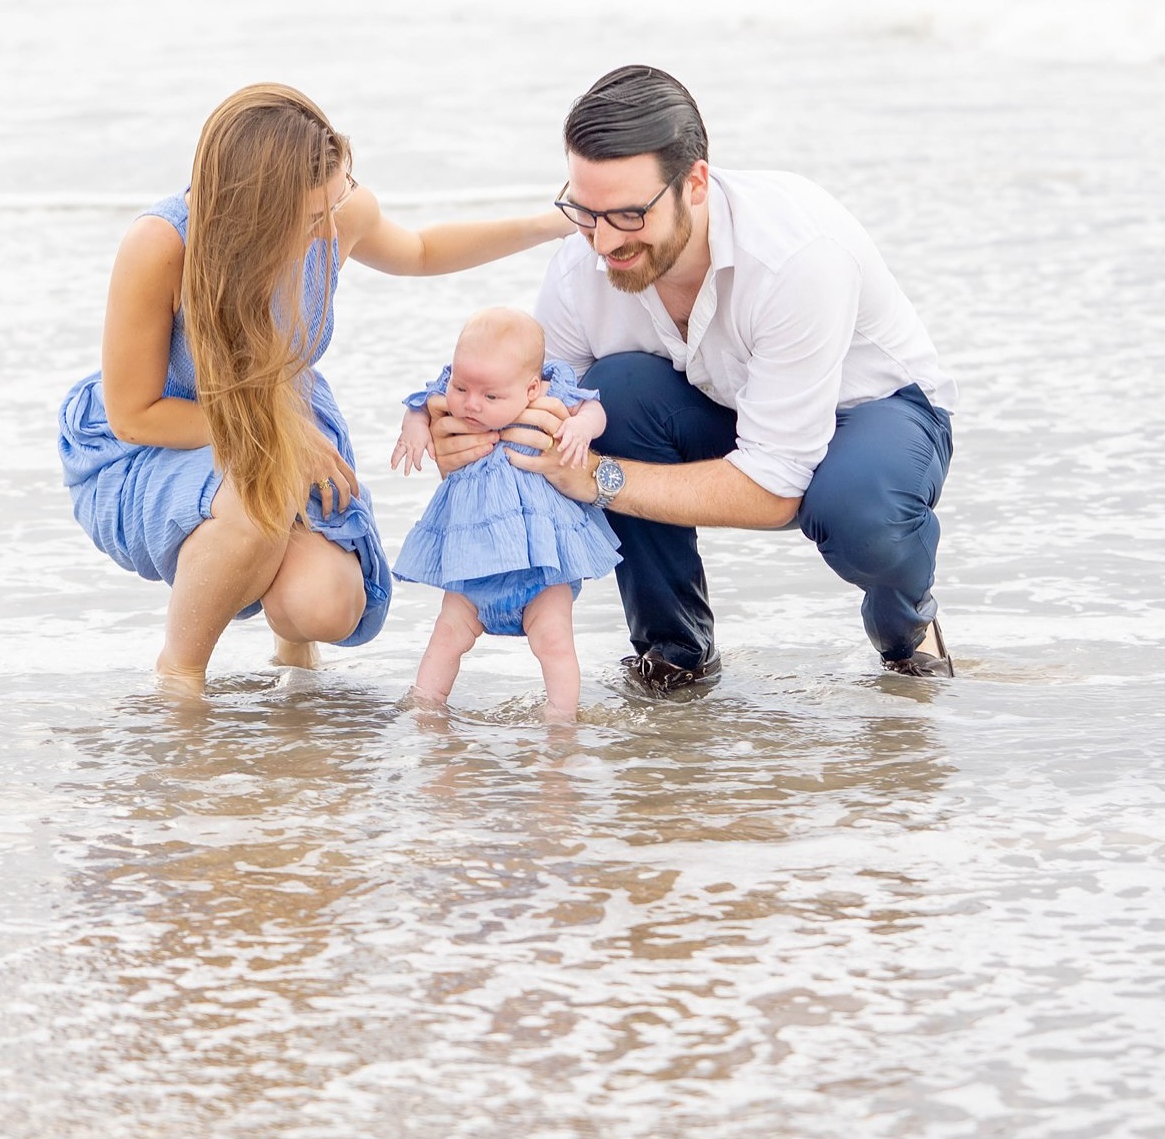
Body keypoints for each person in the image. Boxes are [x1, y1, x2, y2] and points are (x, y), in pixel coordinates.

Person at [430, 65, 959, 691]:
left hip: (878, 416)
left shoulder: (796, 257)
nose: (602, 241)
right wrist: (470, 436)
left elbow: (775, 487)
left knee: (860, 513)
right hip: (719, 406)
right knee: (611, 394)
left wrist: (594, 476)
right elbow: (538, 411)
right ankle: (674, 654)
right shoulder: (581, 264)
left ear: (696, 183)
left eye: (628, 214)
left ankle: (907, 630)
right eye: (584, 211)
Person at [58, 84, 570, 693]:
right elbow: (135, 414)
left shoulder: (336, 211)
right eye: (307, 219)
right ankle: (181, 674)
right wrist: (279, 442)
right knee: (258, 494)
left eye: (334, 204)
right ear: (251, 211)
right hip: (159, 442)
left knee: (326, 604)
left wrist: (552, 224)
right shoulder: (162, 245)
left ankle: (291, 647)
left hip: (285, 423)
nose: (328, 230)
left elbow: (423, 250)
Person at [391, 307, 620, 721]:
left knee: (554, 644)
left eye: (490, 396)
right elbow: (421, 403)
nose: (470, 404)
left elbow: (594, 409)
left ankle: (561, 720)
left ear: (532, 389)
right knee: (446, 637)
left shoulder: (554, 394)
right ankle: (424, 709)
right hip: (474, 566)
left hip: (541, 570)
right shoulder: (454, 394)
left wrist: (581, 428)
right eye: (461, 387)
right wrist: (415, 425)